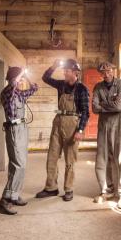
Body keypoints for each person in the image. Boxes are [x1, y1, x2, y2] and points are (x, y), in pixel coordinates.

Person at [36, 59, 89, 202]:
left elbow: (85, 112)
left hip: (72, 124)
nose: (64, 73)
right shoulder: (61, 85)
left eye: (67, 71)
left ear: (75, 72)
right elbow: (45, 78)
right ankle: (51, 187)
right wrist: (53, 66)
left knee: (70, 160)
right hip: (58, 122)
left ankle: (69, 189)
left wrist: (80, 130)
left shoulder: (82, 89)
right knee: (52, 156)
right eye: (64, 70)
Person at [0, 66, 38, 215]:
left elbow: (34, 88)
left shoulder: (20, 94)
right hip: (14, 129)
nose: (21, 82)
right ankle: (5, 200)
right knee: (18, 165)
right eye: (19, 79)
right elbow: (13, 84)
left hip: (23, 128)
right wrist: (21, 72)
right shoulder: (7, 92)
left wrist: (26, 76)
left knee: (22, 164)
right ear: (13, 79)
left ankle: (14, 195)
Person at [92, 62, 121, 209]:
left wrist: (103, 105)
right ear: (100, 74)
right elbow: (94, 108)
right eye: (103, 72)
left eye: (109, 71)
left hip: (120, 125)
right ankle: (106, 191)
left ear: (113, 71)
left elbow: (120, 106)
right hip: (104, 126)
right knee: (102, 159)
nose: (106, 74)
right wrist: (110, 105)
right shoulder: (98, 87)